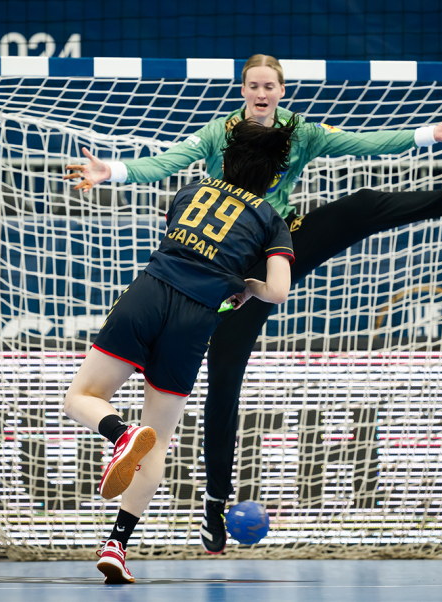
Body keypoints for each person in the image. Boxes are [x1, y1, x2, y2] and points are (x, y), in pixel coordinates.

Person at [67, 53, 442, 554]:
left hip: (275, 244)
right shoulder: (218, 134)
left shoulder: (300, 133)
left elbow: (362, 144)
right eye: (254, 85)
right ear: (244, 89)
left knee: (354, 209)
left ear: (282, 90)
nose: (262, 93)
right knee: (224, 377)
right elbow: (166, 162)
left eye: (270, 85)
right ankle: (214, 504)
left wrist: (429, 135)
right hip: (223, 267)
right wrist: (113, 170)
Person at [62, 118, 297, 584]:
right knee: (159, 441)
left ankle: (118, 433)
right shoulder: (273, 221)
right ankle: (117, 545)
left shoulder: (191, 191)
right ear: (273, 179)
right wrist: (246, 288)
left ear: (225, 162)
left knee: (80, 398)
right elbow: (278, 291)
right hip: (197, 320)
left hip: (150, 294)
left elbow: (179, 238)